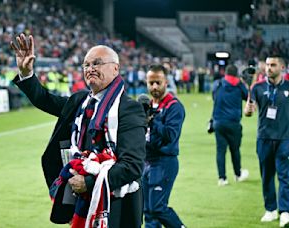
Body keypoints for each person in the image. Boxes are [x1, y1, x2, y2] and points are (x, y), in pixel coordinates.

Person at [10, 33, 146, 228]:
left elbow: (133, 166)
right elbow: (44, 99)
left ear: (115, 69)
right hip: (80, 199)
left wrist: (89, 183)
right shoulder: (81, 101)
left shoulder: (128, 109)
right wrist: (26, 73)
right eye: (86, 65)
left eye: (97, 63)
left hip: (116, 204)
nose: (90, 69)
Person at [244, 56, 289, 227]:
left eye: (273, 65)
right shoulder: (257, 87)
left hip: (285, 138)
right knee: (267, 175)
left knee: (285, 176)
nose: (269, 68)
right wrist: (248, 109)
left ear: (282, 67)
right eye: (267, 65)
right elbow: (248, 111)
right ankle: (270, 209)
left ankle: (285, 211)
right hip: (263, 137)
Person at [142, 64, 186, 228]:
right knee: (148, 211)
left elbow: (171, 135)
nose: (154, 87)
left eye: (158, 82)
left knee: (158, 208)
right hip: (146, 161)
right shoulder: (147, 106)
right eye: (151, 82)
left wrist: (153, 121)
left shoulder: (174, 106)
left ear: (166, 82)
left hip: (164, 162)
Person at [212, 65, 249, 186]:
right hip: (233, 123)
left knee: (220, 151)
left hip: (219, 122)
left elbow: (214, 97)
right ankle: (237, 174)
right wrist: (243, 82)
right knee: (235, 150)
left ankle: (222, 178)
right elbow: (247, 96)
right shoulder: (239, 85)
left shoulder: (218, 84)